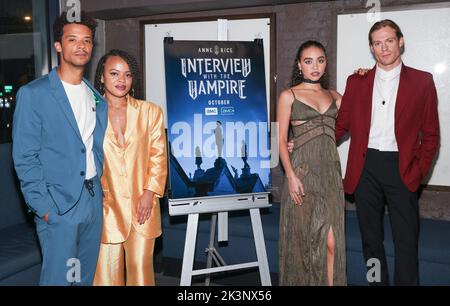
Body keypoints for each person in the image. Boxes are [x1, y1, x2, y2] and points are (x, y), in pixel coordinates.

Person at [335, 19, 440, 286]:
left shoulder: (422, 81)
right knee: (371, 242)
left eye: (389, 41)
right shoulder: (357, 81)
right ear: (371, 48)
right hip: (365, 168)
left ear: (400, 41)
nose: (384, 48)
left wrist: (417, 173)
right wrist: (304, 141)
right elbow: (340, 126)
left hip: (402, 168)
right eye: (377, 43)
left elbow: (431, 136)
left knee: (406, 242)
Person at [12, 12, 107, 285]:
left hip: (91, 200)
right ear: (58, 46)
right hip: (59, 206)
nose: (81, 46)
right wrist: (44, 208)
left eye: (87, 40)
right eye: (73, 39)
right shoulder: (34, 94)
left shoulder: (95, 96)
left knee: (82, 278)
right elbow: (25, 157)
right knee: (60, 280)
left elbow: (92, 148)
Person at [92, 49, 167, 286]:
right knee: (105, 278)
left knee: (141, 275)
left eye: (127, 74)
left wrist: (149, 193)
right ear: (102, 78)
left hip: (142, 207)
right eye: (114, 74)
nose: (121, 80)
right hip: (105, 210)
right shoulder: (88, 114)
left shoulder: (150, 112)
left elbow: (158, 156)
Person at [277, 40, 346, 286]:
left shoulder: (336, 97)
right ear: (299, 65)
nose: (314, 66)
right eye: (308, 61)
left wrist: (363, 77)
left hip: (331, 175)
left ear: (326, 64)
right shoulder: (289, 95)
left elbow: (359, 116)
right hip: (302, 174)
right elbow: (282, 139)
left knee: (332, 244)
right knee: (302, 244)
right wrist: (291, 176)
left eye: (320, 60)